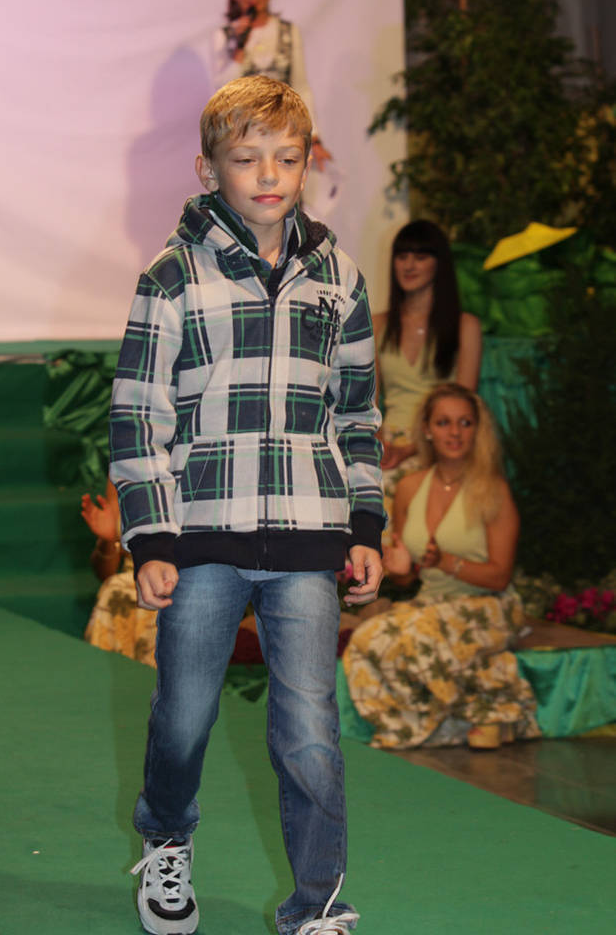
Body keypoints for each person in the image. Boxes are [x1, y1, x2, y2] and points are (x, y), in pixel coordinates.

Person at [109, 75, 385, 935]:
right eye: (246, 158)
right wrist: (152, 538)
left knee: (310, 734)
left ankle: (318, 907)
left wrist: (366, 524)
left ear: (306, 166)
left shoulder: (339, 277)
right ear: (208, 169)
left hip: (309, 541)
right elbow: (138, 414)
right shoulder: (171, 277)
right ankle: (166, 836)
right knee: (185, 715)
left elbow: (358, 415)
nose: (269, 174)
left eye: (287, 158)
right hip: (201, 541)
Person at [343, 382, 540, 751]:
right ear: (428, 430)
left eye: (465, 423)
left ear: (477, 430)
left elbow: (500, 576)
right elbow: (407, 575)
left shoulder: (493, 489)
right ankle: (428, 725)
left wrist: (447, 562)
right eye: (444, 422)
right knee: (367, 639)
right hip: (430, 604)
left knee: (418, 634)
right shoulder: (409, 487)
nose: (454, 432)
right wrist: (398, 568)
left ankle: (491, 710)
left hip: (488, 605)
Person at [374, 220, 482, 497]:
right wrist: (379, 444)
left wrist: (414, 448)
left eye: (420, 257)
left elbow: (463, 408)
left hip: (444, 444)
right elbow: (366, 402)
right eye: (402, 256)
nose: (409, 265)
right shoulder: (377, 325)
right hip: (387, 446)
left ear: (439, 264)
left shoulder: (466, 327)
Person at [212, 0, 332, 170]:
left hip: (285, 136)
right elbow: (223, 92)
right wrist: (238, 46)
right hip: (243, 140)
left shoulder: (288, 32)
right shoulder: (224, 36)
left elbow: (301, 87)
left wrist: (314, 138)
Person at [81, 481, 157, 667]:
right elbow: (105, 573)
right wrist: (108, 541)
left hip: (189, 576)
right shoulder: (127, 466)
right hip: (135, 577)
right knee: (115, 589)